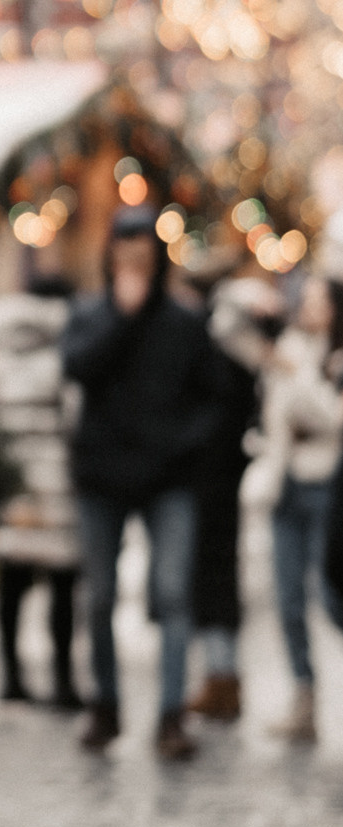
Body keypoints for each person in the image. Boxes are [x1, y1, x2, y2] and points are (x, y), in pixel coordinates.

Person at [61, 207, 228, 760]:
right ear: (110, 258)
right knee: (102, 594)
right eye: (123, 255)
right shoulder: (91, 314)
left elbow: (217, 398)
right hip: (102, 478)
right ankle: (106, 706)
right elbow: (77, 368)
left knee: (173, 594)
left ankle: (170, 715)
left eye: (143, 256)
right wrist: (122, 318)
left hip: (168, 480)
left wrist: (182, 444)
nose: (133, 266)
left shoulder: (184, 321)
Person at [0, 275, 81, 707]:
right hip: (55, 490)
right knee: (61, 586)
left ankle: (11, 678)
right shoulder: (61, 361)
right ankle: (62, 680)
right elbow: (75, 420)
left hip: (12, 493)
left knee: (11, 586)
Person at [184, 279, 283, 725]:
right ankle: (220, 675)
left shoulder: (225, 357)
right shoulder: (246, 358)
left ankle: (223, 678)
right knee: (214, 572)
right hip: (220, 474)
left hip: (213, 477)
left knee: (213, 571)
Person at [260, 276, 341, 745]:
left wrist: (298, 377)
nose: (309, 310)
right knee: (287, 596)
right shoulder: (289, 345)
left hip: (326, 480)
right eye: (304, 301)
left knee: (330, 596)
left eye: (318, 302)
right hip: (286, 480)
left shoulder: (333, 358)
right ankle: (304, 694)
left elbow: (331, 419)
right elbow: (277, 412)